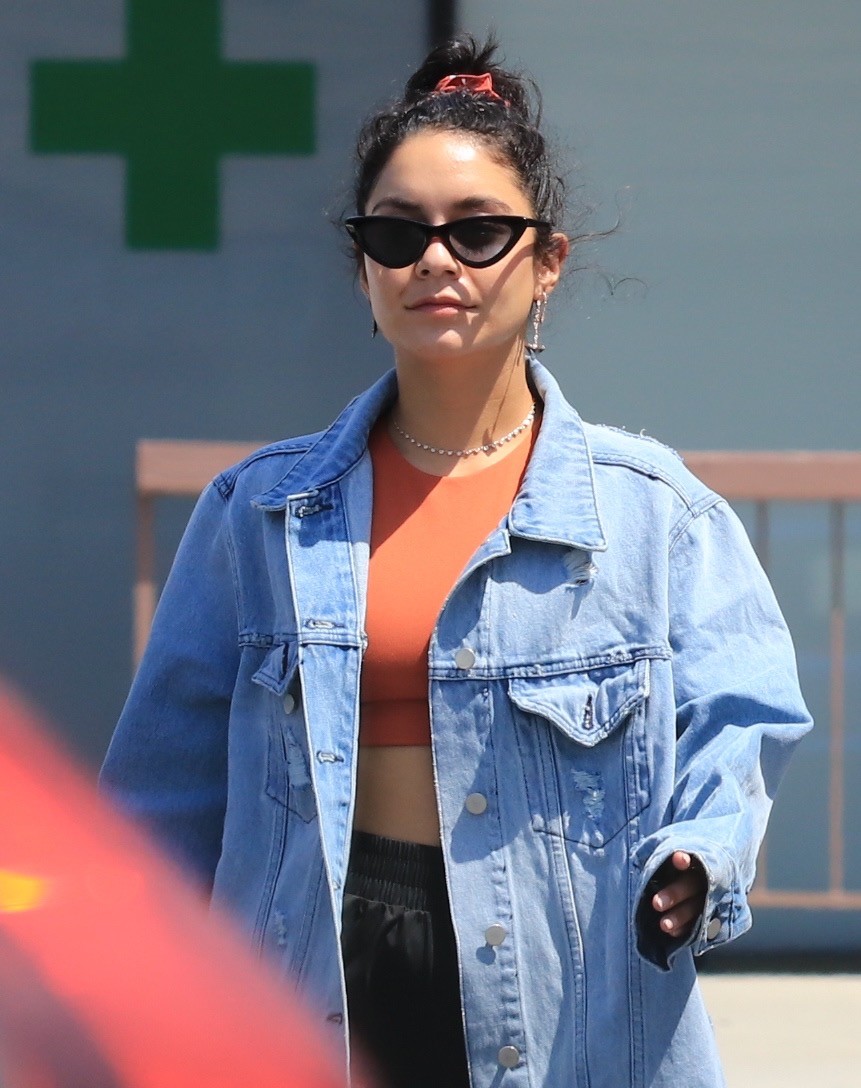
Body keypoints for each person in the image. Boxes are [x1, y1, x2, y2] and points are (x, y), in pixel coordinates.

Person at [101, 35, 812, 1088]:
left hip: (571, 985)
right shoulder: (259, 512)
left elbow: (742, 715)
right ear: (363, 268)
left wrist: (700, 854)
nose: (436, 260)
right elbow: (162, 791)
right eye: (398, 233)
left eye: (479, 232)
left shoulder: (652, 513)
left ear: (547, 262)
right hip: (309, 974)